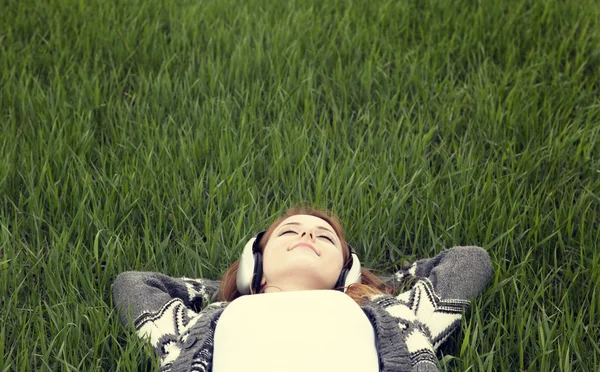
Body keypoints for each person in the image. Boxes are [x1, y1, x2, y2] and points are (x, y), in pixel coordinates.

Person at [112, 206, 492, 372]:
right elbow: (134, 285)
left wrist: (369, 288)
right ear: (254, 262)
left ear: (347, 271)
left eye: (325, 237)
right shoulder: (204, 327)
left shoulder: (393, 316)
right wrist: (241, 289)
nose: (308, 233)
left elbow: (469, 261)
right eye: (290, 232)